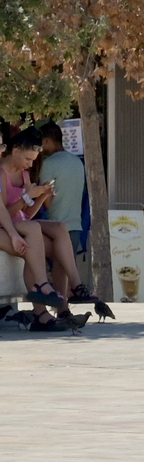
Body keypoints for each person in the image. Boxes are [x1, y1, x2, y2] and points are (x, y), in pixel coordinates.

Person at [0, 133, 77, 329]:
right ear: (15, 150)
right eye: (28, 159)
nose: (30, 165)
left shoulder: (24, 175)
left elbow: (27, 213)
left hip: (21, 225)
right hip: (10, 226)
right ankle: (42, 296)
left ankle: (64, 305)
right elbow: (4, 212)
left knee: (60, 236)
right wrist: (26, 198)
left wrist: (41, 196)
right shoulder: (2, 173)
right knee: (34, 240)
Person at [33, 123, 88, 300]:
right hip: (76, 225)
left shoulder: (49, 164)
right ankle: (65, 310)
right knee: (65, 269)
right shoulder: (77, 162)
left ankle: (62, 309)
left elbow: (47, 202)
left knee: (57, 272)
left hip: (56, 224)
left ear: (47, 141)